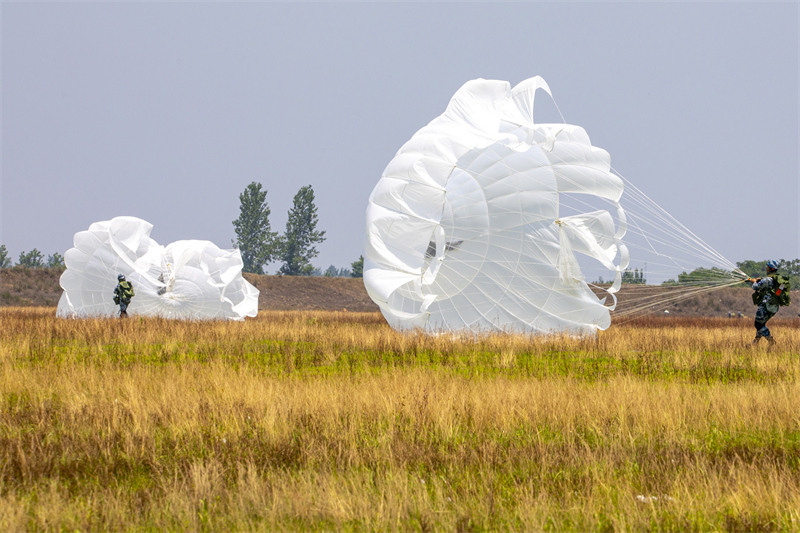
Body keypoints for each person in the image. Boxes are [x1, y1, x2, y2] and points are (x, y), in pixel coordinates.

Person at [745, 260, 784, 345]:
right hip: (774, 307)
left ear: (770, 268)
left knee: (758, 324)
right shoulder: (777, 279)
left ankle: (771, 341)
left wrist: (754, 281)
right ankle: (755, 342)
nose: (766, 268)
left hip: (766, 305)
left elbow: (755, 287)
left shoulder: (768, 279)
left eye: (767, 266)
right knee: (761, 324)